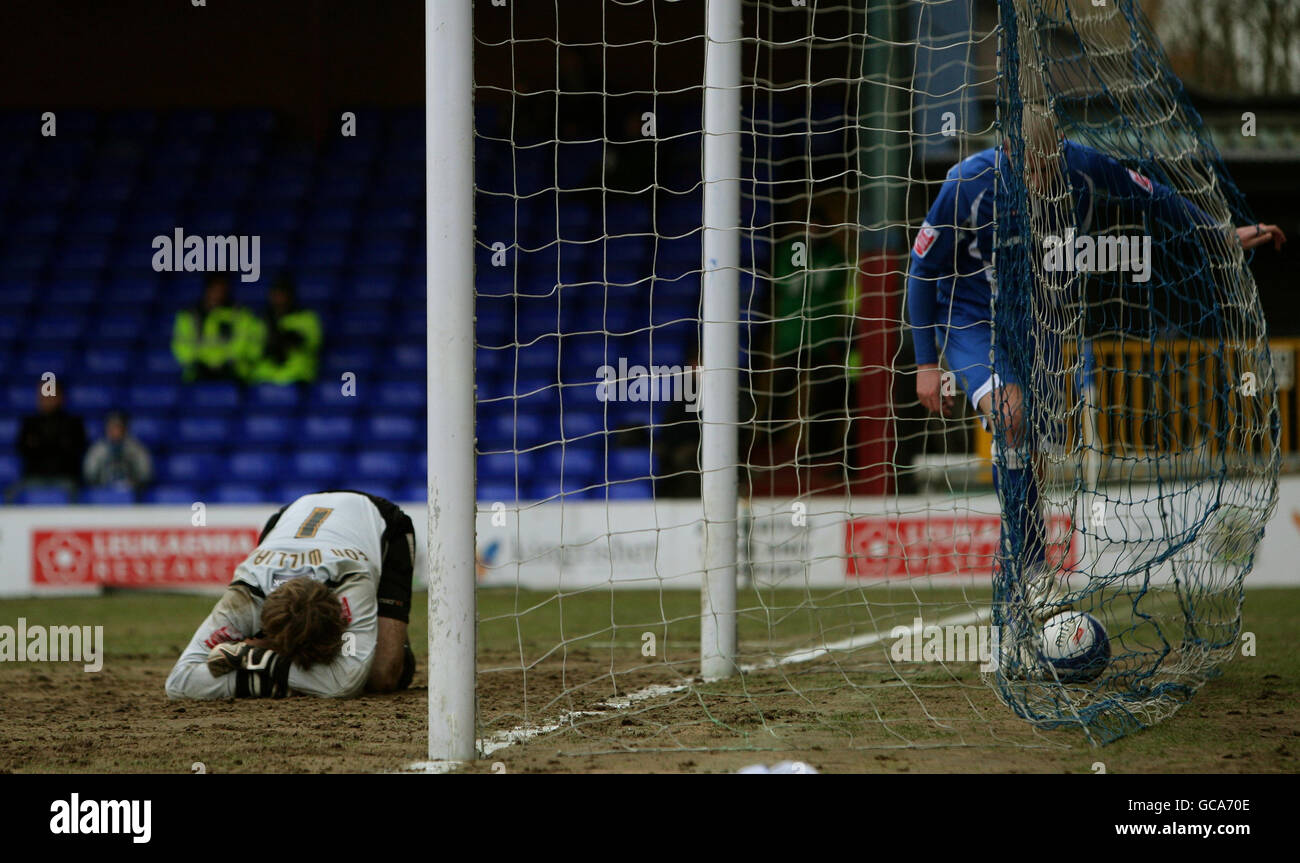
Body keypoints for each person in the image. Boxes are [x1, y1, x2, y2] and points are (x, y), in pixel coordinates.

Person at [906, 111, 1287, 649]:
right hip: (972, 318)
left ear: (1059, 153)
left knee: (1031, 450)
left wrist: (1220, 235)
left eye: (1048, 170)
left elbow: (1154, 199)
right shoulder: (966, 182)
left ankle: (1025, 563)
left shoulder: (1084, 168)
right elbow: (921, 271)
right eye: (1031, 173)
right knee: (1011, 417)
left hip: (1037, 325)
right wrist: (927, 363)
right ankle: (1030, 571)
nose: (1042, 184)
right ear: (1010, 158)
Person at [165, 490, 417, 699]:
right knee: (335, 666)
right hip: (288, 517)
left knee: (382, 676)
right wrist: (281, 676)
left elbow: (345, 682)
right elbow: (179, 682)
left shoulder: (352, 580)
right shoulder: (246, 595)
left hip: (378, 521)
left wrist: (253, 657)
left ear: (342, 614)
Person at [171, 273, 260, 382]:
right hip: (198, 372)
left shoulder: (241, 314)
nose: (218, 294)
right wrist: (203, 362)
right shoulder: (188, 316)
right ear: (207, 289)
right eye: (215, 289)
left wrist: (223, 361)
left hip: (233, 371)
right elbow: (182, 347)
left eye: (222, 289)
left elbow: (244, 343)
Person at [9, 383, 86, 501]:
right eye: (43, 395)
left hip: (65, 477)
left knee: (76, 493)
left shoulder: (73, 423)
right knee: (11, 493)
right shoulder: (29, 423)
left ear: (60, 397)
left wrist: (40, 445)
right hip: (34, 477)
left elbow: (76, 450)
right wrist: (57, 445)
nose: (46, 399)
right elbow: (22, 449)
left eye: (50, 395)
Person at [250, 275, 322, 385]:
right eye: (276, 294)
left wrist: (289, 337)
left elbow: (313, 343)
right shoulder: (261, 321)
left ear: (290, 296)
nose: (279, 298)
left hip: (297, 377)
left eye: (283, 294)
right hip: (266, 376)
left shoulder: (306, 318)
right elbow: (253, 351)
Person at [83, 410, 153, 491]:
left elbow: (145, 473)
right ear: (107, 429)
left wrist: (135, 483)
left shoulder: (136, 448)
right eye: (112, 427)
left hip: (131, 492)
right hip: (103, 492)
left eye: (118, 427)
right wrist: (101, 485)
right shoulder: (98, 449)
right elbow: (89, 473)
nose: (115, 431)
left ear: (124, 429)